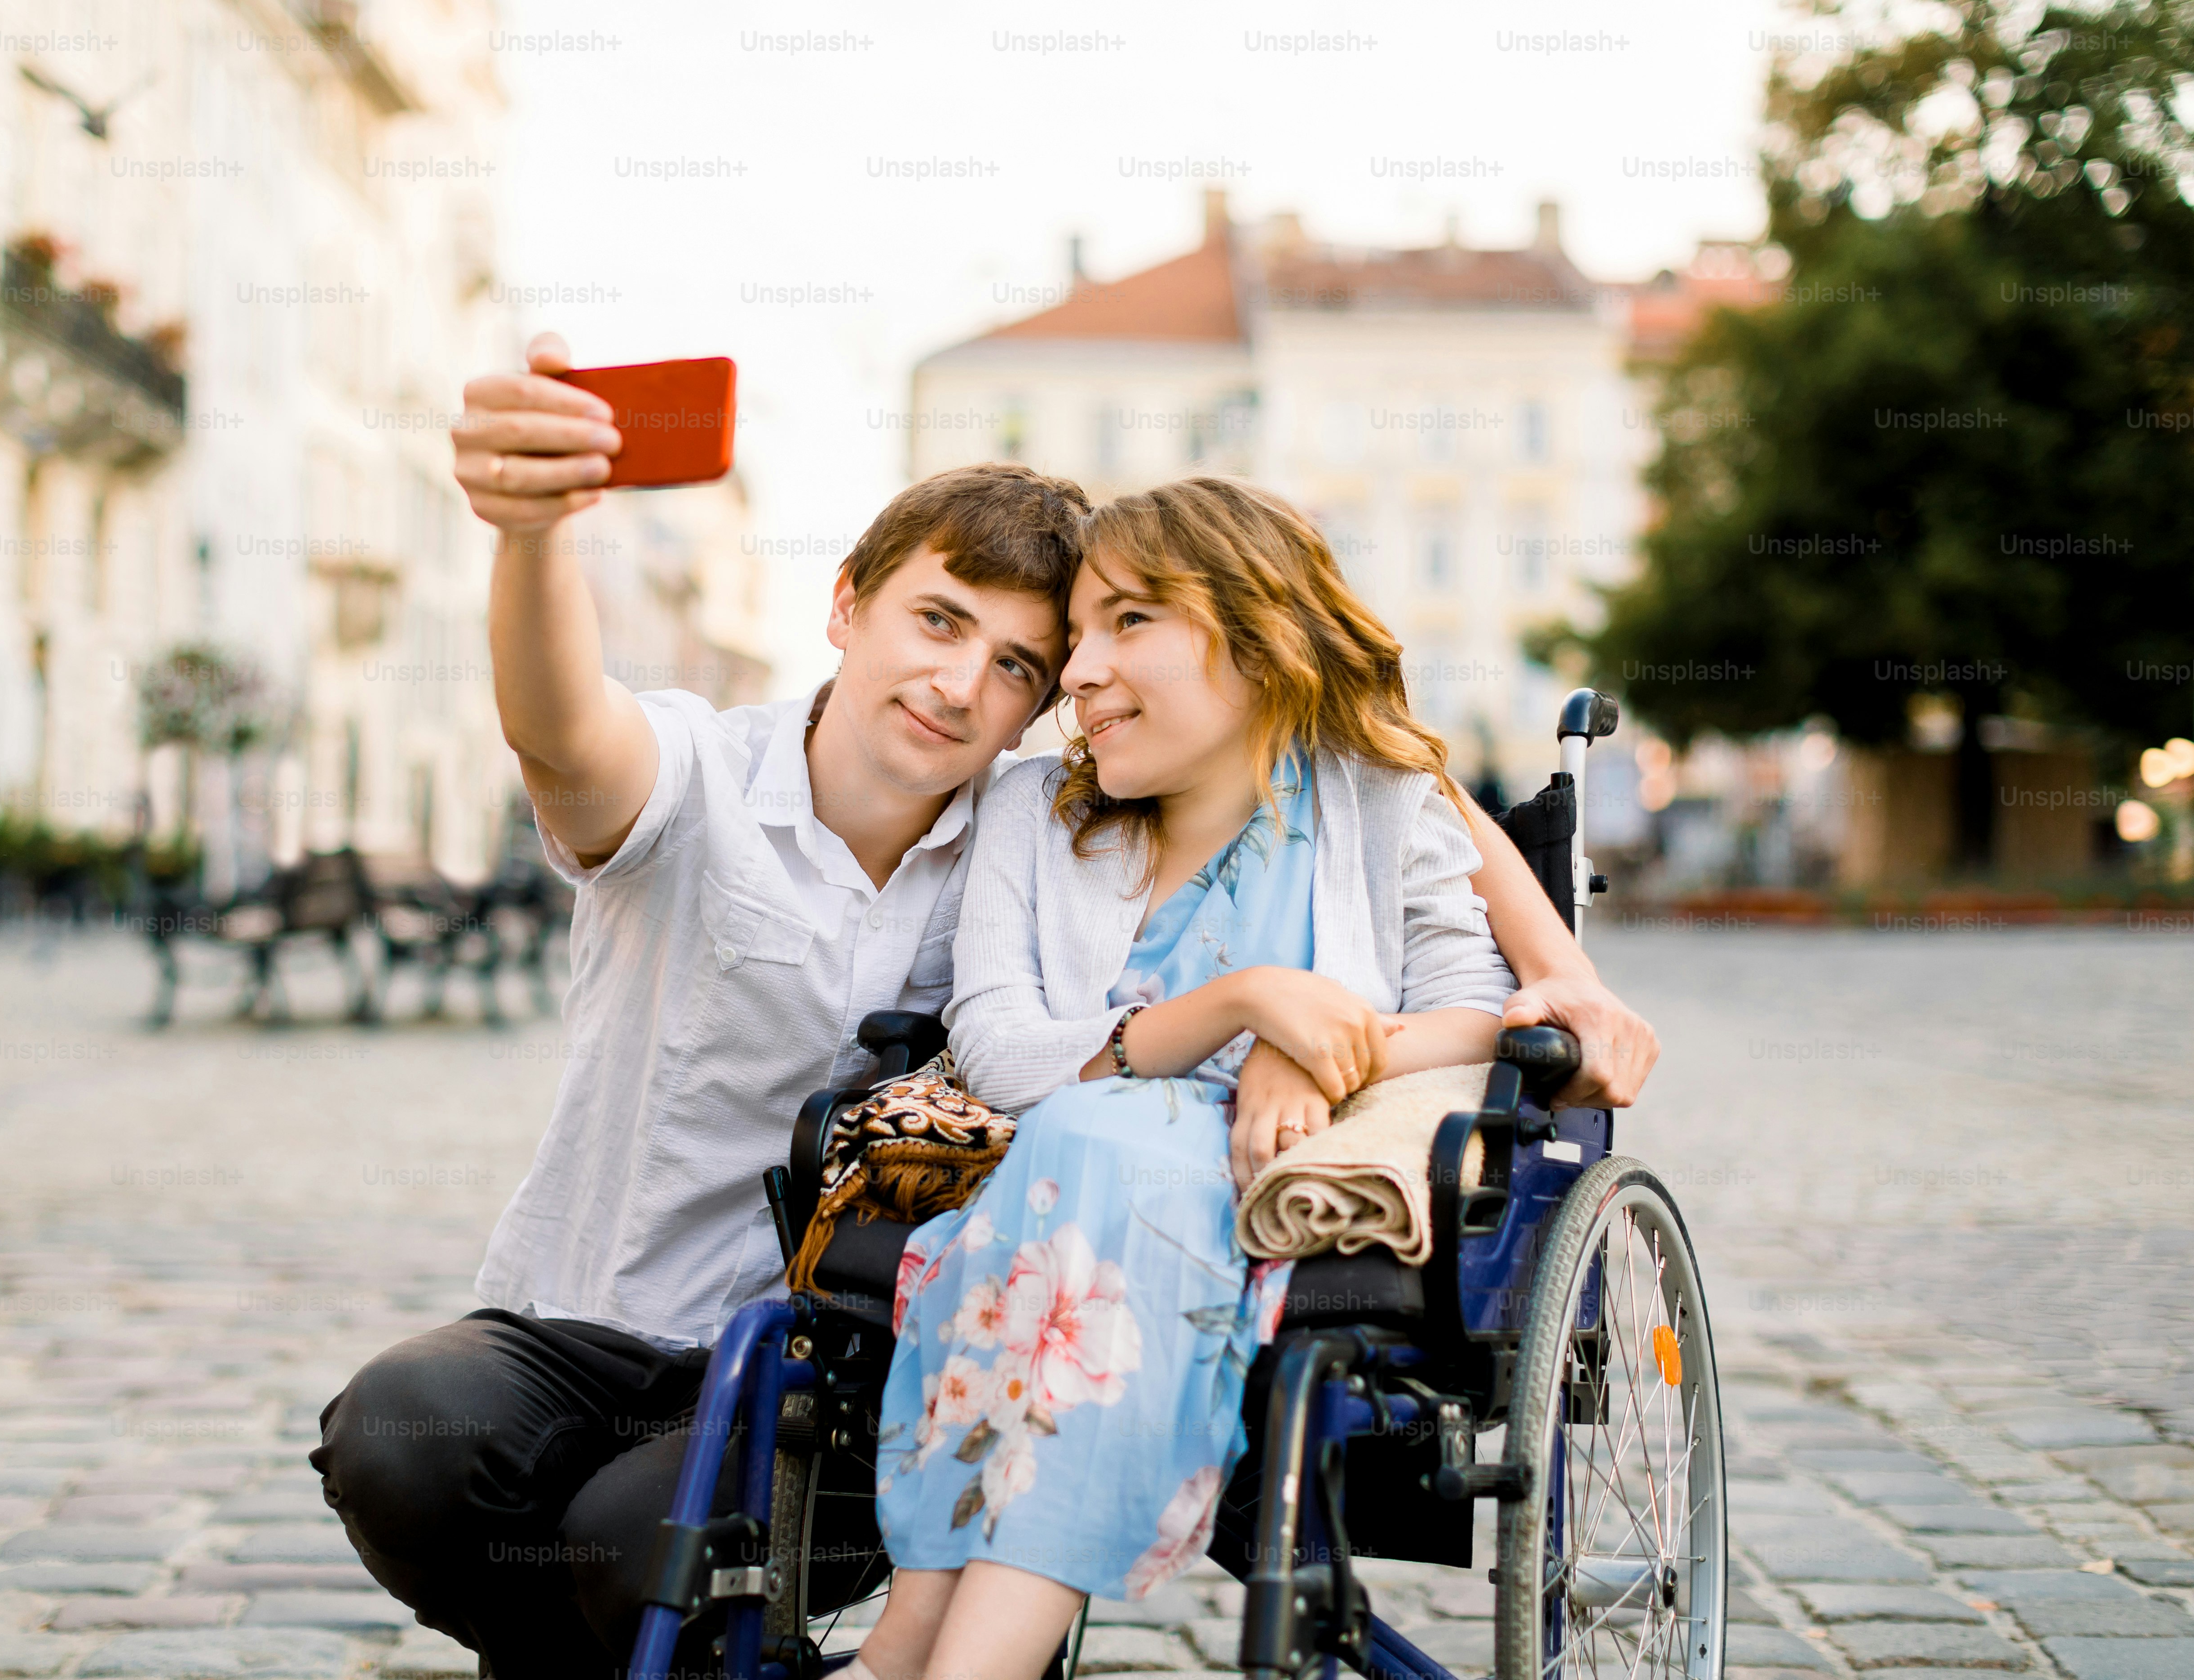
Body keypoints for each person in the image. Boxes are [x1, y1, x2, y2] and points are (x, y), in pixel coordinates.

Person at [310, 334, 1659, 1679]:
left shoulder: (1080, 810)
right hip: (602, 1308)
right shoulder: (754, 787)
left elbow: (1369, 783)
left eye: (1025, 660)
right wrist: (534, 537)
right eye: (941, 623)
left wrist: (1560, 980)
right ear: (844, 605)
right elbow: (561, 735)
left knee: (628, 1552)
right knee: (402, 1440)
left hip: (854, 1344)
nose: (975, 684)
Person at [855, 477, 1519, 1680]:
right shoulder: (1029, 816)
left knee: (1116, 1146)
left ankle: (932, 1658)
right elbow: (1003, 1057)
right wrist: (1239, 1001)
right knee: (1103, 1143)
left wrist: (1307, 1046)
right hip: (1049, 1199)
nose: (1075, 674)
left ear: (1259, 639)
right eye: (1075, 640)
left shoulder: (1378, 803)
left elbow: (1477, 1017)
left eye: (1127, 624)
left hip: (1276, 1203)